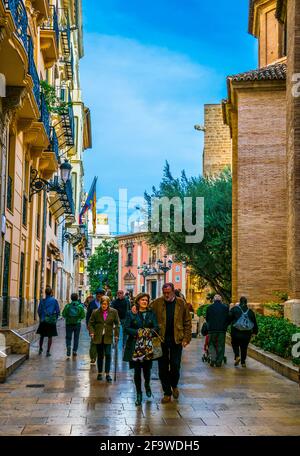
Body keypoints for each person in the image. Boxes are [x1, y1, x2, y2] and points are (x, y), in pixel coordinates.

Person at [151, 283, 192, 403]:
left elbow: (187, 322)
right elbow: (146, 310)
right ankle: (167, 393)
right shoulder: (157, 302)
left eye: (168, 292)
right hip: (161, 339)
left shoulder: (181, 303)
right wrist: (135, 308)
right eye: (164, 293)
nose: (166, 295)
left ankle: (174, 385)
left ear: (173, 291)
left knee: (175, 365)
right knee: (162, 368)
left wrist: (186, 338)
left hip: (176, 339)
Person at [123, 293, 159, 406]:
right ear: (138, 301)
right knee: (137, 371)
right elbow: (126, 328)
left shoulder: (151, 313)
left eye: (146, 300)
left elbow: (156, 327)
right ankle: (139, 393)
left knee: (147, 370)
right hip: (135, 346)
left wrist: (149, 332)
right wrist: (138, 332)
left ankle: (147, 385)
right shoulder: (131, 313)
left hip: (148, 346)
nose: (145, 302)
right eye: (143, 300)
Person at [88, 296, 120, 383]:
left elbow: (117, 324)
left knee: (108, 354)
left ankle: (107, 373)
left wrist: (116, 335)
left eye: (105, 304)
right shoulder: (95, 312)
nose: (104, 305)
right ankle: (99, 373)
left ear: (108, 304)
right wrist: (92, 332)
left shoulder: (114, 312)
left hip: (108, 336)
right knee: (100, 355)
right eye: (102, 304)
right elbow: (90, 323)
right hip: (98, 337)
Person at [229, 296, 258, 367]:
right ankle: (243, 362)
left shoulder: (235, 309)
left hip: (236, 332)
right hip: (246, 333)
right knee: (244, 347)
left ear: (240, 302)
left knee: (235, 344)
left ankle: (237, 356)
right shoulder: (250, 312)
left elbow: (229, 318)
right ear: (246, 302)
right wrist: (255, 332)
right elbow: (254, 322)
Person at [205, 294, 229, 367]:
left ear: (213, 300)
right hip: (222, 330)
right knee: (220, 345)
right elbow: (227, 318)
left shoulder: (209, 307)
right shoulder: (225, 308)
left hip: (212, 330)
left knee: (211, 344)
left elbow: (207, 319)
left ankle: (213, 358)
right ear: (221, 300)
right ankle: (218, 362)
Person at [36, 286, 60, 357]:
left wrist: (41, 318)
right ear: (51, 293)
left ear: (45, 293)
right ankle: (48, 351)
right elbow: (58, 311)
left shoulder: (42, 301)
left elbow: (39, 311)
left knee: (42, 336)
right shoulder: (54, 301)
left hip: (43, 321)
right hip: (51, 321)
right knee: (50, 336)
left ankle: (40, 349)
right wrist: (55, 318)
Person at [62, 293, 86, 357]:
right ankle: (74, 350)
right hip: (77, 324)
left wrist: (68, 318)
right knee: (76, 337)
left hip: (69, 324)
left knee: (68, 337)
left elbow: (63, 314)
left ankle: (68, 346)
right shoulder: (80, 306)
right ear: (77, 298)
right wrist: (78, 319)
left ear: (71, 298)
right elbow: (83, 316)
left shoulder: (68, 306)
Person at [86, 288, 105, 364]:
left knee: (103, 342)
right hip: (94, 326)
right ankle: (93, 357)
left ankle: (101, 356)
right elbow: (88, 315)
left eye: (101, 294)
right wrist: (88, 324)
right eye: (98, 294)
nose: (99, 295)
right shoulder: (92, 303)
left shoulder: (106, 303)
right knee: (93, 342)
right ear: (96, 295)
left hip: (103, 326)